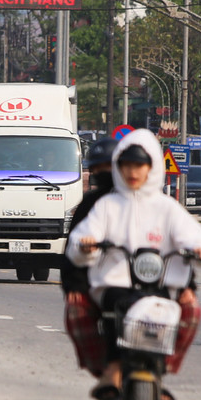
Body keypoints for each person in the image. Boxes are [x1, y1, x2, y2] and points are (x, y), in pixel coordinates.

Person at [67, 128, 201, 400]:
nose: (132, 172)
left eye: (140, 165)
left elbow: (191, 236)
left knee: (190, 310)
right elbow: (83, 236)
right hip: (116, 282)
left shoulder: (168, 207)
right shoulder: (105, 205)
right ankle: (111, 366)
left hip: (159, 283)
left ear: (153, 167)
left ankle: (161, 370)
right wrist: (86, 243)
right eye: (126, 165)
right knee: (114, 307)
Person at [59, 136, 119, 376]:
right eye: (98, 167)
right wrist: (74, 287)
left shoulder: (158, 204)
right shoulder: (92, 205)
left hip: (143, 280)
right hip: (102, 281)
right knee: (78, 310)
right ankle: (102, 372)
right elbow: (73, 249)